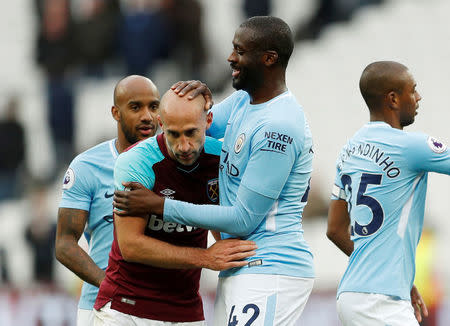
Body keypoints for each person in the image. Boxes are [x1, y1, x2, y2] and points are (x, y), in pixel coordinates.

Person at [114, 16, 315, 325]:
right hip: (241, 264)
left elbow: (243, 217)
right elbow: (190, 125)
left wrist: (161, 206)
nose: (230, 57)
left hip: (271, 265)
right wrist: (195, 97)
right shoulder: (243, 102)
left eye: (240, 51)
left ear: (269, 59)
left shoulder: (279, 125)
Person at [94, 89, 257, 325]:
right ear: (161, 124)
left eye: (191, 133)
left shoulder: (221, 158)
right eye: (173, 134)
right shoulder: (136, 162)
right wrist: (205, 257)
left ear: (208, 121)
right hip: (126, 307)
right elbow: (130, 245)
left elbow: (223, 225)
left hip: (186, 311)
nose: (184, 146)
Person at [326, 61, 449, 325]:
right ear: (393, 98)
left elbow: (335, 230)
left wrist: (396, 277)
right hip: (379, 300)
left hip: (351, 294)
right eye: (413, 90)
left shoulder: (348, 150)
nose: (418, 97)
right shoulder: (412, 146)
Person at [55, 75, 161, 326]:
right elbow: (64, 243)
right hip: (103, 306)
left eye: (153, 107)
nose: (147, 116)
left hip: (163, 306)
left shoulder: (176, 163)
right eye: (136, 107)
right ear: (116, 112)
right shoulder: (87, 166)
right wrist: (110, 284)